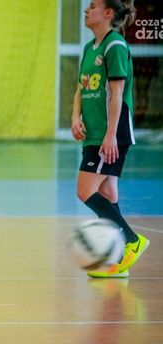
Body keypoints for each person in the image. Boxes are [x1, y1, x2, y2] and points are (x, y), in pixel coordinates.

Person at [71, 0, 149, 278]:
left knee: (85, 191)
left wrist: (110, 135)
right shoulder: (88, 48)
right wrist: (75, 116)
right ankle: (117, 259)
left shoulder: (114, 46)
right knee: (106, 192)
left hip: (110, 134)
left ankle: (131, 241)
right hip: (93, 132)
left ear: (108, 13)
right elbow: (81, 87)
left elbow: (117, 94)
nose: (86, 10)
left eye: (92, 6)